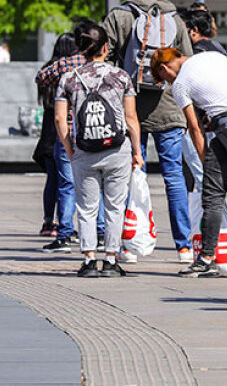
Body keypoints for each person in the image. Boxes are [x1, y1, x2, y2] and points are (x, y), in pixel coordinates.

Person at [151, 47, 227, 278]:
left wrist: (204, 158)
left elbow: (194, 127)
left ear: (164, 68)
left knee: (212, 197)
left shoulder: (180, 85)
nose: (168, 84)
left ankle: (206, 258)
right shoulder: (215, 56)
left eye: (164, 79)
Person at [104, 0, 196, 264]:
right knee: (174, 177)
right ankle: (183, 247)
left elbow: (104, 56)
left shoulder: (119, 16)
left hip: (130, 108)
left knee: (132, 173)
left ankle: (130, 245)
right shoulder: (176, 19)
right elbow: (188, 65)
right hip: (169, 106)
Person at [54, 21, 144, 278]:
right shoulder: (121, 76)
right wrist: (136, 151)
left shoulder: (68, 79)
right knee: (115, 206)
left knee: (87, 206)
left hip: (84, 150)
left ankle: (89, 260)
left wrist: (70, 150)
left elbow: (61, 120)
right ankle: (111, 259)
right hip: (117, 150)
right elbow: (131, 118)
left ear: (82, 49)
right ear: (106, 48)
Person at [33, 33, 78, 248]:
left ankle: (49, 221)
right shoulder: (74, 67)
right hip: (66, 126)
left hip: (50, 128)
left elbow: (40, 82)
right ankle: (65, 223)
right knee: (68, 182)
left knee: (54, 178)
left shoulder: (51, 69)